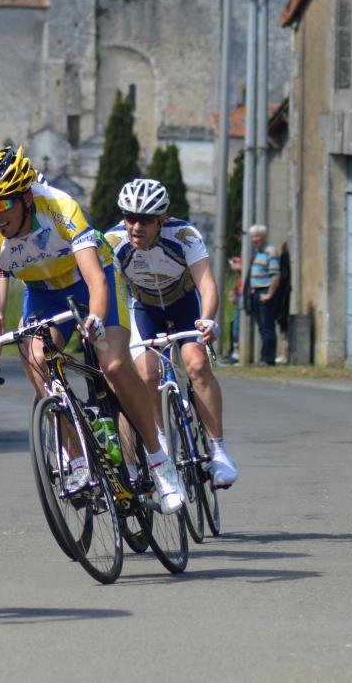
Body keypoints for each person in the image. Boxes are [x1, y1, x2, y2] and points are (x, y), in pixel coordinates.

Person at [0, 146, 184, 515]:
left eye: (1, 205)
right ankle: (79, 458)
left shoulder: (59, 208)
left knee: (113, 363)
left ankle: (159, 460)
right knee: (35, 358)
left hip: (90, 283)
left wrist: (96, 319)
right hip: (44, 295)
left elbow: (96, 281)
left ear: (25, 199)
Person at [103, 178, 239, 488]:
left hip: (184, 307)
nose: (136, 227)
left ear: (162, 219)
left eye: (146, 220)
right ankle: (161, 444)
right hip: (143, 310)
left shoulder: (184, 236)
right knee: (148, 375)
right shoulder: (114, 243)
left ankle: (218, 450)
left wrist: (207, 319)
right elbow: (106, 290)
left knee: (196, 364)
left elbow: (207, 284)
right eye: (130, 218)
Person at [247, 223, 281, 366]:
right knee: (261, 326)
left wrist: (269, 294)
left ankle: (268, 358)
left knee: (267, 327)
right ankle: (264, 357)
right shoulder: (258, 252)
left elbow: (275, 275)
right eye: (252, 237)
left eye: (257, 237)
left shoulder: (270, 251)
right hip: (257, 292)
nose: (254, 240)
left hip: (265, 292)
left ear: (263, 237)